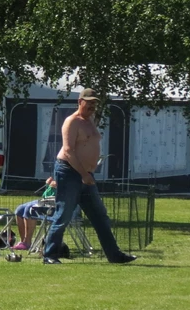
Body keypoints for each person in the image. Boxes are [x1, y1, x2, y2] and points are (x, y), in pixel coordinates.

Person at [42, 87, 137, 265]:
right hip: (69, 172)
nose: (92, 106)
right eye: (89, 102)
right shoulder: (72, 121)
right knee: (63, 215)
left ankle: (115, 256)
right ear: (80, 102)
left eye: (95, 103)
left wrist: (88, 172)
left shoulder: (90, 121)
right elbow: (69, 151)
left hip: (86, 175)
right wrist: (84, 174)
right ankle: (49, 255)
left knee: (100, 217)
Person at [12, 177, 55, 250]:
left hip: (57, 202)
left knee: (30, 208)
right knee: (19, 209)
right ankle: (23, 241)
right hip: (47, 199)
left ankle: (27, 242)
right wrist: (49, 183)